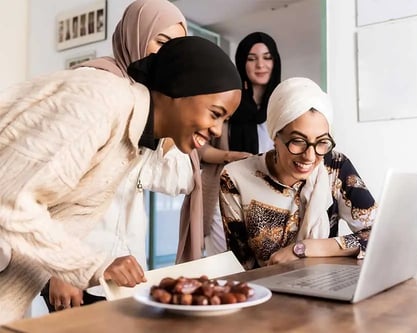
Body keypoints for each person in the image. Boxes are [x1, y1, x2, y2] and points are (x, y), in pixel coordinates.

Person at [0, 36, 242, 323]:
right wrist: (93, 265)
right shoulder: (101, 101)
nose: (217, 129)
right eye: (216, 114)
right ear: (180, 88)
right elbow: (10, 200)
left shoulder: (133, 144)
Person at [40, 0, 202, 313]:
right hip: (76, 271)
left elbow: (177, 181)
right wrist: (59, 268)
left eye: (175, 48)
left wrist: (172, 112)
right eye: (161, 42)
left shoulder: (146, 105)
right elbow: (47, 188)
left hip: (126, 275)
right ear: (135, 36)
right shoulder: (94, 91)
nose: (167, 56)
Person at [219, 77, 376, 270]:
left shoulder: (335, 166)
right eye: (298, 141)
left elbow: (381, 234)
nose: (310, 156)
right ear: (275, 137)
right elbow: (241, 266)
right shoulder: (235, 178)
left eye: (322, 142)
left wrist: (305, 248)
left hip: (325, 284)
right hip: (267, 289)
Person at [201, 32, 282, 256]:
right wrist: (231, 156)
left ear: (275, 62)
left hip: (270, 199)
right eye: (251, 58)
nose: (260, 65)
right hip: (223, 195)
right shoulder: (227, 101)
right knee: (223, 267)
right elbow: (200, 149)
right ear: (241, 63)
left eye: (267, 57)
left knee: (262, 269)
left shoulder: (282, 106)